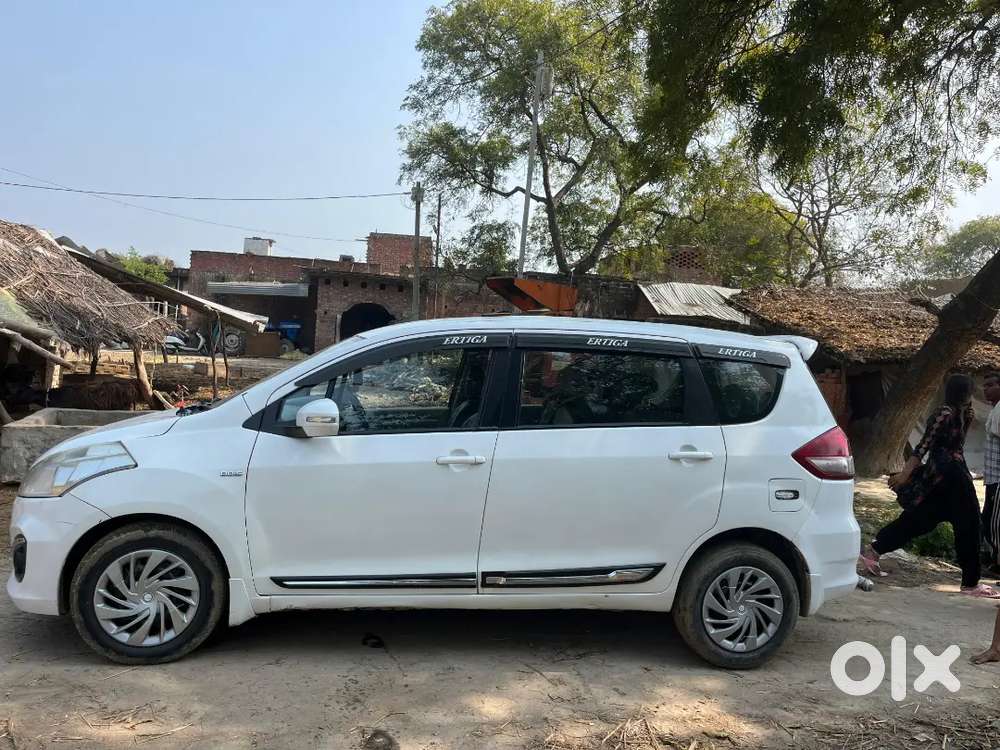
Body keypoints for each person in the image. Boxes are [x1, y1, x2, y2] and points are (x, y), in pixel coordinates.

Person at [859, 373, 1000, 598]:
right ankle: (970, 583)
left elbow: (954, 446)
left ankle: (874, 550)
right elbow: (924, 446)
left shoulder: (966, 414)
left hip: (948, 475)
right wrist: (905, 474)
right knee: (969, 524)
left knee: (920, 520)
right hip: (948, 477)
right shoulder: (944, 414)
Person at [982, 372, 1000, 577]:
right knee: (988, 519)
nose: (986, 389)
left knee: (993, 523)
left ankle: (997, 562)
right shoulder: (995, 409)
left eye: (991, 385)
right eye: (985, 385)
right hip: (992, 476)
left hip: (998, 478)